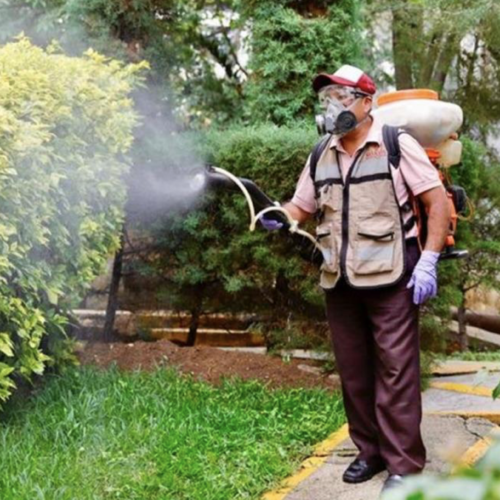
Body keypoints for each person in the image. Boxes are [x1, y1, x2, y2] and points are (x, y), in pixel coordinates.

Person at [260, 64, 451, 496]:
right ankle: (370, 452)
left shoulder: (394, 143)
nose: (331, 106)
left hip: (392, 278)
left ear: (367, 102)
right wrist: (280, 215)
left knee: (396, 371)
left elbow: (435, 203)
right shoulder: (320, 152)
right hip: (340, 280)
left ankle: (404, 465)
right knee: (355, 372)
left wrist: (429, 261)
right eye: (327, 98)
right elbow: (301, 206)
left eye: (341, 97)